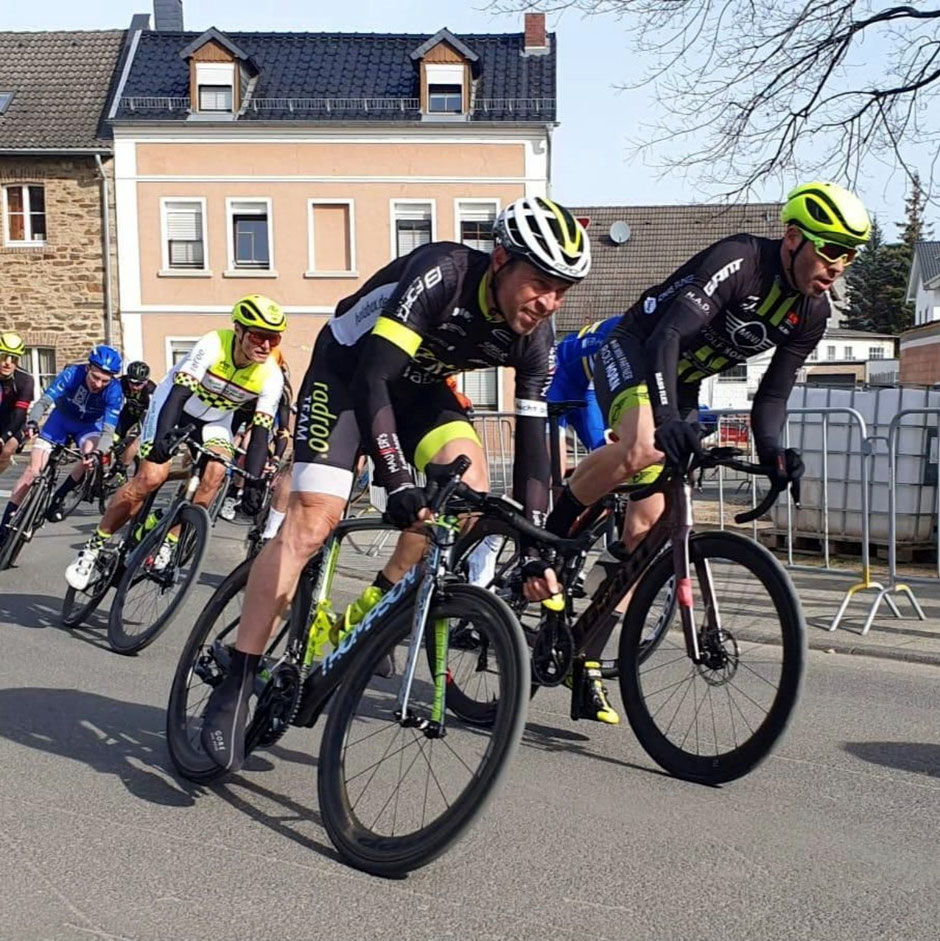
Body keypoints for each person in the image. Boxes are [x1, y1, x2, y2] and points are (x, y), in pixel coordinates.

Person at [200, 195, 592, 772]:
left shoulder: (534, 334)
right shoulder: (443, 273)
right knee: (311, 522)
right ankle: (236, 678)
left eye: (562, 290)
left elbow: (536, 450)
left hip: (417, 392)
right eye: (541, 282)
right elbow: (374, 378)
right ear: (502, 260)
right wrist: (396, 478)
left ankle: (379, 604)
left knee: (469, 485)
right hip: (349, 377)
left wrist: (535, 547)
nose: (549, 301)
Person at [547, 181, 871, 722]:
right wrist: (669, 420)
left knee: (651, 530)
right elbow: (666, 338)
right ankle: (551, 539)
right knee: (642, 446)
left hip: (685, 384)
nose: (839, 265)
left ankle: (588, 654)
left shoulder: (811, 313)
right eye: (831, 248)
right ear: (793, 238)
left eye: (851, 255)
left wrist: (773, 453)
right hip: (635, 348)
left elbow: (774, 394)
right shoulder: (741, 259)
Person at [64, 296, 285, 590]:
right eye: (258, 336)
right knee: (151, 477)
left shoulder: (271, 374)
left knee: (217, 473)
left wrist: (255, 483)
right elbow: (178, 394)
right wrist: (162, 439)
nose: (266, 346)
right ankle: (93, 547)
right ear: (239, 330)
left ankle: (169, 544)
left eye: (274, 338)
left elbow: (260, 432)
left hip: (216, 421)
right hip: (174, 406)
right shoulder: (214, 343)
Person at [0, 345, 123, 538]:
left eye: (104, 381)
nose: (98, 384)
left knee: (89, 455)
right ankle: (5, 525)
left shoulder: (115, 391)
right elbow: (44, 402)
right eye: (95, 377)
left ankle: (60, 496)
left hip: (88, 427)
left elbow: (108, 431)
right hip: (59, 421)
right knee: (32, 471)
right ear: (88, 368)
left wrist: (98, 453)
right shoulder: (72, 374)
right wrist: (32, 422)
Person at [548, 316, 621, 470]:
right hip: (560, 379)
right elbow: (593, 396)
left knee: (606, 455)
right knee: (553, 457)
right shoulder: (619, 341)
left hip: (586, 384)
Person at [0, 332, 35, 475]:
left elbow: (20, 414)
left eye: (13, 359)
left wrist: (3, 438)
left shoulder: (25, 379)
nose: (8, 362)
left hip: (14, 422)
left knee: (7, 450)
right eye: (3, 356)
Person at [112, 360, 156, 476]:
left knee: (132, 442)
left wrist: (126, 441)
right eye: (131, 383)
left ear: (146, 381)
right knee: (114, 438)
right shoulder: (121, 382)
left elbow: (144, 421)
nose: (135, 387)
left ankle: (121, 470)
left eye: (139, 384)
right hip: (129, 413)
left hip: (145, 417)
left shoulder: (151, 391)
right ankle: (116, 465)